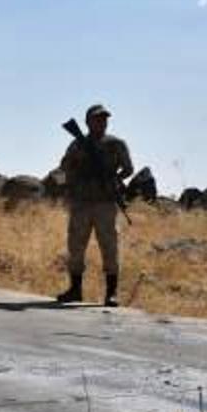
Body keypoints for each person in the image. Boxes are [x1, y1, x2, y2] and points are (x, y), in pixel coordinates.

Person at [55, 104, 133, 306]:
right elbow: (64, 167)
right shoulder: (77, 144)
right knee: (75, 247)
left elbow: (128, 169)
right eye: (97, 119)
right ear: (88, 122)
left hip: (105, 203)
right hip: (81, 202)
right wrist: (81, 171)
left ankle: (111, 294)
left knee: (109, 247)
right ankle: (75, 290)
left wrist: (112, 178)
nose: (102, 122)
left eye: (104, 119)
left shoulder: (116, 144)